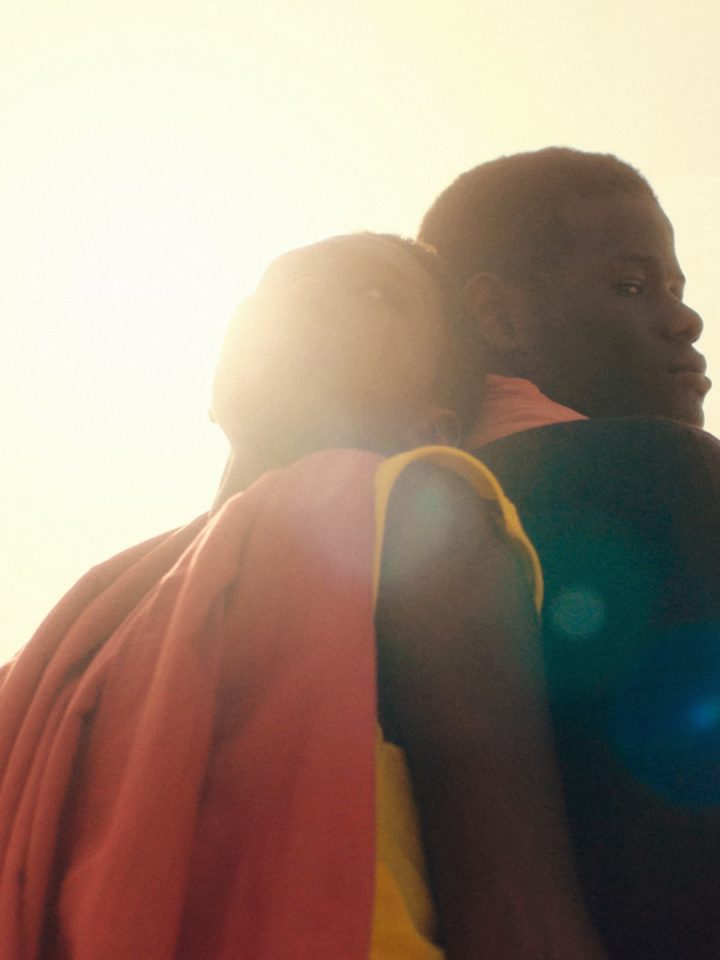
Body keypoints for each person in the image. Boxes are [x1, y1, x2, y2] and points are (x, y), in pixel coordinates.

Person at [0, 233, 605, 960]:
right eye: (274, 290)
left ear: (431, 423)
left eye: (376, 293)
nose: (304, 299)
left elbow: (516, 911)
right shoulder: (71, 631)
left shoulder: (414, 516)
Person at [420, 148, 720, 959]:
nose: (685, 321)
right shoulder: (665, 473)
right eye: (631, 287)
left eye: (676, 289)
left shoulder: (400, 513)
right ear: (498, 317)